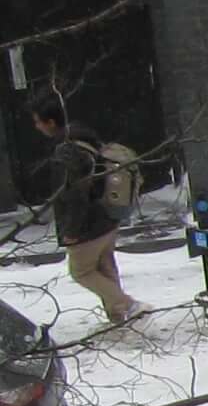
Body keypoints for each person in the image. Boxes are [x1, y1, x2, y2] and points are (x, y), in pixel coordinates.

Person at [26, 98, 141, 324]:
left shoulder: (67, 151)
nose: (36, 127)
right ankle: (118, 317)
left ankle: (130, 305)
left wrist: (72, 230)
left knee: (82, 272)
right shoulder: (84, 137)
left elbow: (75, 195)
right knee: (104, 265)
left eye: (38, 122)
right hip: (107, 214)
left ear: (50, 123)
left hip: (89, 223)